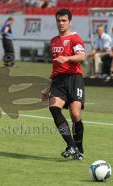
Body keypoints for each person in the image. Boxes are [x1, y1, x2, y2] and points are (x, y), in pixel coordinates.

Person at [42, 9, 85, 160]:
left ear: (70, 22)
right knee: (54, 108)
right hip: (58, 80)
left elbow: (81, 56)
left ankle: (79, 148)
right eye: (58, 21)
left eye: (64, 21)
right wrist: (48, 86)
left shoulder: (75, 39)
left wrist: (67, 59)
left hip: (74, 78)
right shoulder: (53, 41)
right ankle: (71, 145)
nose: (61, 23)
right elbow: (55, 66)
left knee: (75, 114)